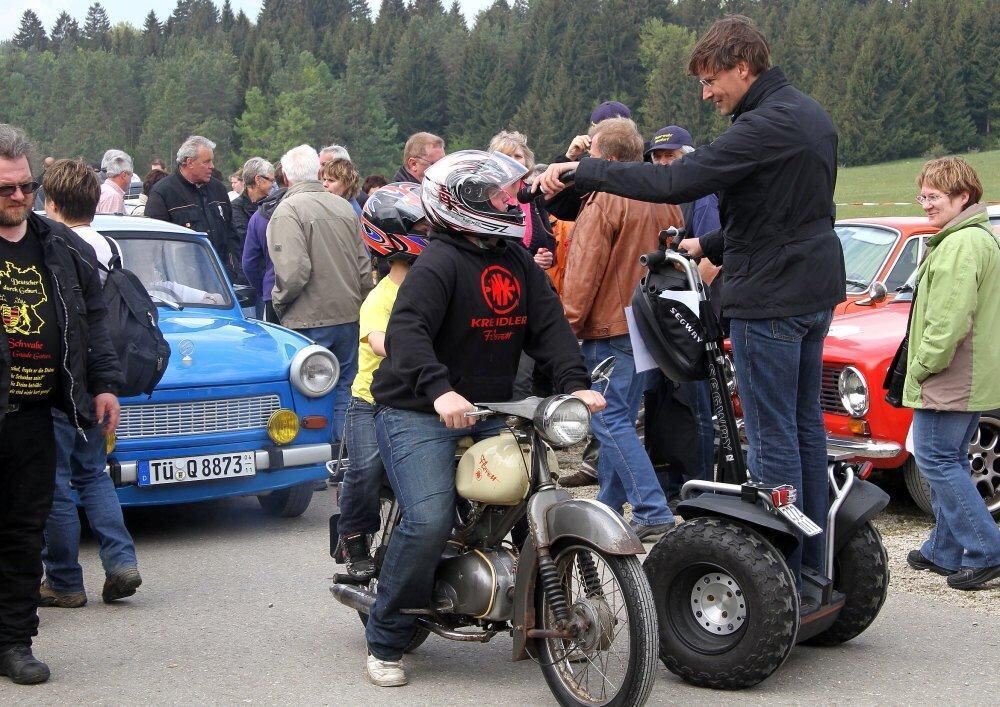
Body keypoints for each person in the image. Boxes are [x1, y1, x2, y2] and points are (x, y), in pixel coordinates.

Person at [539, 14, 845, 590]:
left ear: (743, 67)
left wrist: (587, 170)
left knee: (772, 435)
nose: (707, 94)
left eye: (711, 81)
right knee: (805, 428)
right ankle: (813, 563)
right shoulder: (808, 114)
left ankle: (780, 575)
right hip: (812, 287)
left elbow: (676, 183)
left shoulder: (759, 126)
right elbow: (792, 213)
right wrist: (711, 242)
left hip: (770, 298)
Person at [363, 150, 604, 687]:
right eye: (498, 196)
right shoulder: (438, 262)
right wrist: (441, 391)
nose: (510, 202)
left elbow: (550, 330)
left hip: (494, 406)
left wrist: (576, 384)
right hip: (417, 407)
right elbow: (407, 335)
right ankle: (385, 638)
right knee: (429, 519)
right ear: (466, 203)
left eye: (509, 194)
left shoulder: (515, 259)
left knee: (533, 494)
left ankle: (532, 604)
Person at [0, 123, 122, 685]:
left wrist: (103, 383)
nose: (19, 197)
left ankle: (14, 643)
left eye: (26, 186)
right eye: (5, 189)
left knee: (25, 533)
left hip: (34, 415)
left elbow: (95, 316)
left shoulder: (59, 244)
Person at [559, 117, 681, 539]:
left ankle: (651, 509)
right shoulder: (665, 198)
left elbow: (584, 268)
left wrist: (565, 328)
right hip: (649, 324)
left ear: (607, 157)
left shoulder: (604, 197)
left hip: (609, 326)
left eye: (592, 153)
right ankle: (609, 507)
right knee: (621, 418)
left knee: (607, 421)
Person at [38, 159, 141, 609]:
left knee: (56, 483)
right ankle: (121, 562)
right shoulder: (109, 245)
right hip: (98, 375)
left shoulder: (48, 245)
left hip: (60, 379)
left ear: (50, 201)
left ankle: (63, 579)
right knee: (95, 475)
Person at [904, 157, 1000, 591]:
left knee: (935, 459)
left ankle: (987, 552)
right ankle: (943, 550)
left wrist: (922, 366)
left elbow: (948, 321)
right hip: (967, 372)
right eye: (923, 195)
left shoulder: (962, 245)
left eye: (935, 196)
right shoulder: (971, 239)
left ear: (963, 198)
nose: (926, 204)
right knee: (950, 459)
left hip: (951, 373)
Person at [336, 183, 429, 582]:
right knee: (366, 468)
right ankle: (354, 535)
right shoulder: (380, 296)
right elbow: (378, 340)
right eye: (422, 230)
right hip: (370, 400)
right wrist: (415, 349)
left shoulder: (434, 285)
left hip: (417, 397)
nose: (430, 235)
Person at [267, 145, 373, 442]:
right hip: (347, 314)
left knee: (307, 393)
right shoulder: (344, 206)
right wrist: (360, 303)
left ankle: (316, 463)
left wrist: (279, 303)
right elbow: (363, 267)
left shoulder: (288, 210)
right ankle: (346, 458)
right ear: (316, 172)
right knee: (345, 390)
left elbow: (293, 272)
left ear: (286, 177)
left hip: (307, 318)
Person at [643, 124, 720, 504]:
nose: (662, 162)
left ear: (687, 155)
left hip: (688, 310)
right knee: (664, 404)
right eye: (657, 156)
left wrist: (694, 300)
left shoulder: (700, 195)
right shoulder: (656, 196)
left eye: (670, 155)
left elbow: (711, 260)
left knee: (695, 403)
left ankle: (702, 486)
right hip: (660, 307)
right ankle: (672, 484)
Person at [144, 135, 242, 282]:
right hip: (183, 284)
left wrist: (233, 270)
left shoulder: (218, 189)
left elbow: (231, 233)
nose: (212, 166)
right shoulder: (163, 193)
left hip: (221, 279)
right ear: (189, 162)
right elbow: (154, 246)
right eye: (207, 161)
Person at [242, 164, 287, 321]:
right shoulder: (312, 209)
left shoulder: (260, 216)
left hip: (272, 291)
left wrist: (265, 288)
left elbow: (249, 264)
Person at [231, 157, 274, 247]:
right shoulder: (236, 207)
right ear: (258, 179)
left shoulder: (272, 204)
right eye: (271, 180)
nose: (273, 185)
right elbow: (245, 238)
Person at [96, 150, 133, 215]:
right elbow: (111, 224)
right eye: (131, 176)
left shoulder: (103, 189)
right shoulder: (113, 196)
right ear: (124, 175)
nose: (131, 180)